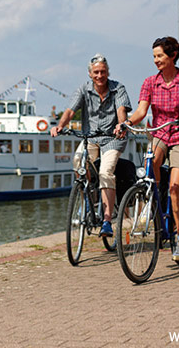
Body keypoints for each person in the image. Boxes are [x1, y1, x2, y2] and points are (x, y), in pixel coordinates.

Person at [115, 36, 179, 262]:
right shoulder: (150, 82)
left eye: (160, 56)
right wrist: (129, 123)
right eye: (154, 56)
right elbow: (142, 111)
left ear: (172, 56)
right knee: (149, 170)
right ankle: (149, 205)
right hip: (160, 132)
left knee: (175, 187)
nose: (156, 60)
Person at [51, 53, 131, 237]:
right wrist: (60, 126)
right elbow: (70, 110)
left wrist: (121, 124)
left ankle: (106, 220)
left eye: (103, 72)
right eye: (96, 72)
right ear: (90, 74)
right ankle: (88, 198)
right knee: (78, 161)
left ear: (108, 72)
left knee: (105, 172)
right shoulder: (83, 90)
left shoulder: (118, 88)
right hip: (91, 138)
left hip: (113, 138)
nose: (100, 76)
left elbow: (121, 110)